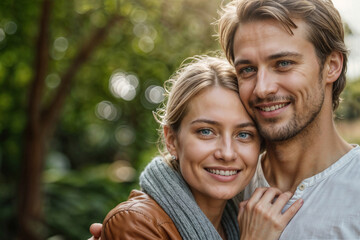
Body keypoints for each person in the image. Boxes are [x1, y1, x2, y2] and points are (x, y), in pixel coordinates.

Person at [92, 56, 303, 240]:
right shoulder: (137, 224)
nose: (227, 153)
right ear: (172, 141)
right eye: (206, 131)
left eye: (244, 134)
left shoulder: (241, 222)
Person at [217, 0, 360, 239]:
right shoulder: (222, 185)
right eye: (248, 70)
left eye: (283, 64)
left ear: (331, 66)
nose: (262, 89)